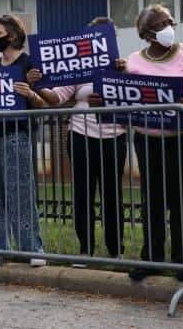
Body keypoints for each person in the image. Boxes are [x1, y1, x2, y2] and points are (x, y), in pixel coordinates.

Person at [121, 3, 183, 282]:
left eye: (171, 22)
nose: (169, 28)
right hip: (147, 139)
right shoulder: (133, 60)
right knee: (153, 199)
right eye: (162, 24)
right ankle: (151, 258)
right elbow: (123, 94)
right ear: (148, 32)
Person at [37, 16, 128, 265]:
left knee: (113, 195)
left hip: (115, 137)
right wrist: (38, 85)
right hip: (81, 136)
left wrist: (112, 95)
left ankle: (115, 249)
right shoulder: (78, 69)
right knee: (83, 194)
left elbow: (136, 99)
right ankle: (85, 249)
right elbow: (56, 98)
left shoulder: (123, 66)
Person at [0, 13, 48, 268]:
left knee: (21, 193)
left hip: (17, 134)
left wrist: (30, 94)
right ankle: (2, 247)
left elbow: (41, 105)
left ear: (13, 36)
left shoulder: (30, 63)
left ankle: (32, 247)